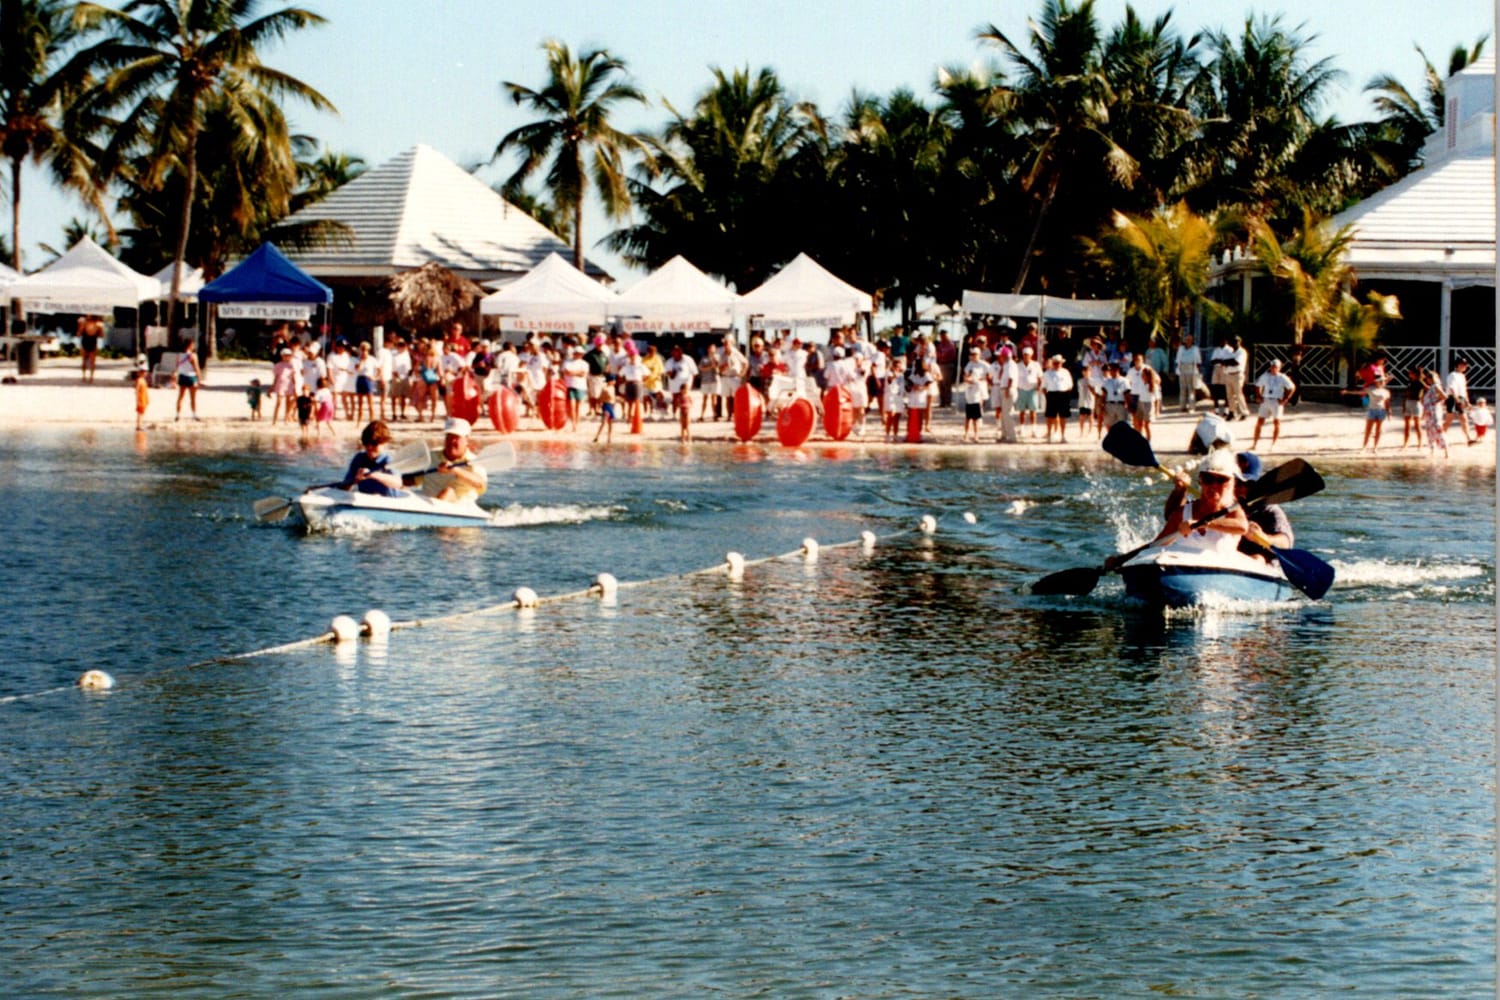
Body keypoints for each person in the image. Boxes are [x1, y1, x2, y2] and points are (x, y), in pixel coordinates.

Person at [1151, 448, 1250, 552]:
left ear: (1231, 483)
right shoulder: (1181, 514)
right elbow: (1156, 546)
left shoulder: (1233, 511)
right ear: (1200, 481)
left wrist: (1202, 523)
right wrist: (1179, 490)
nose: (1214, 485)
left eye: (1221, 480)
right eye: (1208, 479)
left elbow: (1242, 527)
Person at [417, 417, 487, 502]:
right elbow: (413, 481)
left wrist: (455, 470)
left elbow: (481, 485)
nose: (452, 441)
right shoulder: (430, 457)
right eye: (449, 436)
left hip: (458, 507)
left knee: (448, 492)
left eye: (456, 437)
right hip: (425, 504)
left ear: (467, 440)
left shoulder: (475, 461)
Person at [339, 420, 405, 496]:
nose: (369, 447)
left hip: (388, 501)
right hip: (367, 500)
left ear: (385, 443)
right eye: (366, 443)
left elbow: (398, 483)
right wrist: (354, 480)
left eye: (374, 444)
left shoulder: (389, 460)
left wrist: (372, 475)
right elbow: (344, 487)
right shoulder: (359, 459)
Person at [1250, 358, 1296, 451]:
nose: (1273, 368)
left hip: (1276, 401)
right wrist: (1259, 396)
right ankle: (1255, 443)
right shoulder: (1265, 376)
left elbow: (1292, 387)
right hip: (1266, 399)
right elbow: (1258, 385)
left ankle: (1273, 444)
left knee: (1276, 422)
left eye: (1275, 367)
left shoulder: (1282, 377)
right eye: (1272, 366)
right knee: (1259, 422)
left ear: (1279, 368)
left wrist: (1286, 399)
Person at [1345, 373, 1390, 450]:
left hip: (1381, 411)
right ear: (1376, 382)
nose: (1382, 382)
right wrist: (1347, 392)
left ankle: (1375, 447)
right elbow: (1358, 393)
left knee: (1378, 430)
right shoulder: (1370, 389)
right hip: (1372, 410)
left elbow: (1387, 402)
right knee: (1368, 430)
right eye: (1380, 381)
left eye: (1382, 381)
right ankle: (1364, 447)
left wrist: (1389, 412)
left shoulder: (1386, 391)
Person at [664, 343, 698, 442]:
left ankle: (687, 417)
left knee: (685, 400)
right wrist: (671, 373)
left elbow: (694, 372)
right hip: (674, 384)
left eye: (677, 351)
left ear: (681, 352)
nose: (675, 353)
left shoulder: (688, 359)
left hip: (685, 384)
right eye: (674, 351)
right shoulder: (669, 361)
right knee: (675, 399)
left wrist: (692, 384)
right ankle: (675, 415)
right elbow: (666, 372)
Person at [1041, 354, 1073, 443]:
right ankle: (1049, 436)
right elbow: (1043, 387)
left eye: (1058, 363)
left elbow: (1070, 385)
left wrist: (1066, 394)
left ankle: (1063, 436)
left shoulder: (1065, 372)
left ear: (1061, 363)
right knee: (1050, 416)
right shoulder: (1047, 373)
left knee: (1063, 417)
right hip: (1052, 394)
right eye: (1055, 363)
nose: (1057, 365)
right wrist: (1047, 396)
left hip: (1063, 394)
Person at [960, 345, 990, 442]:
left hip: (979, 390)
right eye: (972, 354)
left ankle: (976, 435)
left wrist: (981, 380)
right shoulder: (969, 364)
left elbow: (989, 374)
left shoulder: (984, 364)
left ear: (979, 355)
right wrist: (969, 379)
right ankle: (966, 434)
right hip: (970, 391)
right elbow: (965, 376)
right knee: (968, 417)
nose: (974, 356)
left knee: (976, 416)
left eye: (975, 354)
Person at [1443, 359, 1475, 444]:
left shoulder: (1462, 376)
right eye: (1462, 364)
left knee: (1464, 418)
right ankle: (1440, 436)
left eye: (1465, 365)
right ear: (1457, 365)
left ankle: (1468, 438)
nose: (1464, 366)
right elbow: (1452, 388)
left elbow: (1464, 390)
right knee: (1449, 419)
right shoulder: (1452, 375)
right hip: (1453, 398)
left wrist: (1467, 401)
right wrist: (1456, 399)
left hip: (1461, 398)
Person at [1419, 369, 1450, 458]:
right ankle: (1432, 450)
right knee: (1430, 431)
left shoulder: (1436, 386)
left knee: (1438, 429)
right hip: (1429, 412)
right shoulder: (1432, 387)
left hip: (1434, 412)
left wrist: (1436, 402)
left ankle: (1446, 451)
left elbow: (1444, 396)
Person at [173, 337, 202, 420]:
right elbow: (196, 368)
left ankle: (178, 414)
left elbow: (177, 366)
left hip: (182, 376)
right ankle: (194, 414)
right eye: (193, 345)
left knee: (180, 397)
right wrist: (199, 379)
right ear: (190, 345)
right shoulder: (193, 356)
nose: (194, 346)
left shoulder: (179, 355)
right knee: (193, 398)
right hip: (191, 377)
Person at [1174, 333, 1202, 411]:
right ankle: (1182, 406)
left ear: (1192, 340)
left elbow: (1198, 361)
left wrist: (1197, 372)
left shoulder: (1195, 349)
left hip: (1191, 368)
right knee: (1182, 389)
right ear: (1184, 340)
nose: (1188, 341)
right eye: (1187, 339)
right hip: (1182, 368)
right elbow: (1178, 359)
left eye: (1190, 339)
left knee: (1191, 389)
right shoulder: (1181, 348)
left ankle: (1192, 407)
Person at [78, 313, 104, 383]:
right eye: (87, 315)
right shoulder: (83, 323)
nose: (88, 315)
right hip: (85, 342)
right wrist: (81, 327)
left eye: (89, 314)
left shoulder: (98, 324)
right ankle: (84, 376)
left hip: (93, 342)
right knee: (84, 361)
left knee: (92, 362)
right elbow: (78, 334)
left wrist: (100, 329)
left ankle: (91, 377)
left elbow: (101, 335)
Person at [133, 356, 150, 430]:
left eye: (145, 372)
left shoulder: (143, 380)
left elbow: (145, 390)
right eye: (143, 372)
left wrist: (147, 399)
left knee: (142, 412)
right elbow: (136, 390)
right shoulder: (139, 380)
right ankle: (139, 425)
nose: (145, 373)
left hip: (144, 398)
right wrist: (137, 401)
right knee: (140, 413)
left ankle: (140, 424)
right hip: (140, 399)